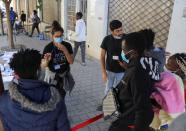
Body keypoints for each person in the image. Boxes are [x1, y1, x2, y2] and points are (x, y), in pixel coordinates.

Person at [0, 49, 71, 131]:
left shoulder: (4, 100)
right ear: (38, 71)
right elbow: (64, 127)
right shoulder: (55, 97)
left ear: (15, 74)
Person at [109, 32, 154, 131]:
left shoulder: (137, 72)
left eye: (123, 50)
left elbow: (143, 109)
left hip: (127, 123)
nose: (122, 52)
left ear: (133, 53)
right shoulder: (134, 65)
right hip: (122, 115)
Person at [42, 21, 74, 98]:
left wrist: (65, 50)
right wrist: (46, 61)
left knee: (62, 96)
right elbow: (43, 65)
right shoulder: (48, 47)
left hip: (64, 75)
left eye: (60, 36)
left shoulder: (67, 45)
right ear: (52, 36)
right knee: (52, 97)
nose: (59, 38)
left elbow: (71, 61)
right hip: (52, 76)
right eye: (56, 36)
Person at [100, 20, 125, 96]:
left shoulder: (126, 38)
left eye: (121, 29)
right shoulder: (107, 39)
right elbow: (102, 56)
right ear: (112, 31)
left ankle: (118, 107)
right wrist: (103, 72)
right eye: (117, 31)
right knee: (108, 89)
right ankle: (106, 105)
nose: (120, 32)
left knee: (120, 91)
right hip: (110, 70)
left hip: (122, 71)